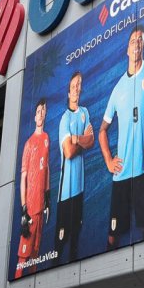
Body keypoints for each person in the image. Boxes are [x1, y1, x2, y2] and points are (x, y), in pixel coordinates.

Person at [98, 24, 144, 248]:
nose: (137, 43)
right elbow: (102, 131)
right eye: (133, 41)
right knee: (113, 236)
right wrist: (109, 160)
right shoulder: (118, 88)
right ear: (127, 50)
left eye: (140, 40)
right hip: (121, 173)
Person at [56, 72, 93, 263]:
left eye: (79, 84)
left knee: (75, 241)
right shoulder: (65, 119)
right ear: (68, 93)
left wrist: (76, 138)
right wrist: (82, 141)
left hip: (79, 189)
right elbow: (69, 152)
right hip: (65, 194)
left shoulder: (85, 112)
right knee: (59, 246)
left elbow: (91, 141)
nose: (77, 88)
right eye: (73, 86)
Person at [16, 100, 50, 278]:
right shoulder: (29, 144)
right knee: (23, 256)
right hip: (30, 209)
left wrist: (48, 198)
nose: (41, 113)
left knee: (36, 254)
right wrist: (24, 209)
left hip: (41, 207)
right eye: (38, 111)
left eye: (43, 110)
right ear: (35, 116)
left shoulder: (46, 138)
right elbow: (23, 178)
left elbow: (47, 168)